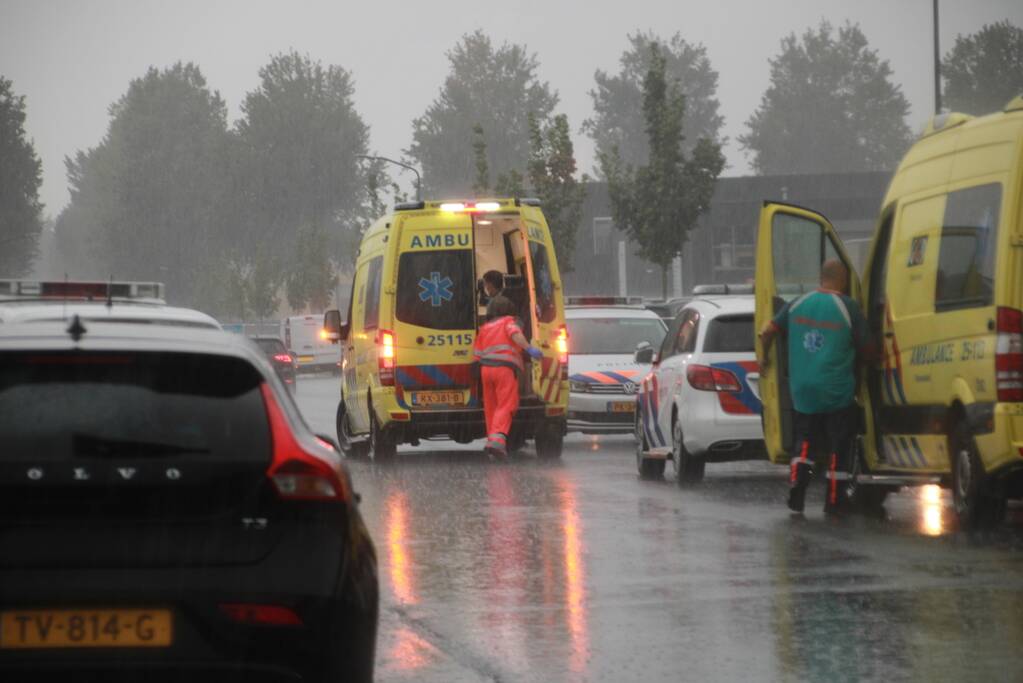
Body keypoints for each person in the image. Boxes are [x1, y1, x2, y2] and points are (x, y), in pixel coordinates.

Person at [758, 259, 869, 514]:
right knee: (838, 444)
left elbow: (767, 331)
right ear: (842, 280)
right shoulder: (848, 306)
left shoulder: (797, 304)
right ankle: (834, 500)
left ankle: (798, 482)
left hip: (803, 390)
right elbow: (867, 347)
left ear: (821, 278)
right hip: (836, 391)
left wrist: (764, 358)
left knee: (804, 440)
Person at [474, 296, 543, 459]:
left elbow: (477, 353)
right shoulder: (508, 322)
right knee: (506, 404)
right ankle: (497, 439)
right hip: (504, 369)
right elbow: (515, 335)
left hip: (486, 370)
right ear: (508, 310)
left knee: (491, 407)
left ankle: (492, 441)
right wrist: (529, 348)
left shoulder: (485, 327)